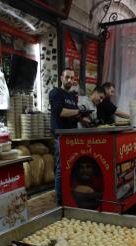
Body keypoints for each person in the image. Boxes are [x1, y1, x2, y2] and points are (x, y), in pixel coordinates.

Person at [49, 69, 90, 205]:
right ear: (61, 77)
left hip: (73, 137)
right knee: (61, 168)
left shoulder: (73, 96)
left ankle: (71, 198)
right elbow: (60, 112)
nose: (69, 80)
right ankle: (60, 202)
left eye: (72, 78)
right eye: (67, 77)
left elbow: (74, 115)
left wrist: (85, 119)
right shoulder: (55, 93)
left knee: (72, 166)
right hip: (61, 137)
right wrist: (79, 111)